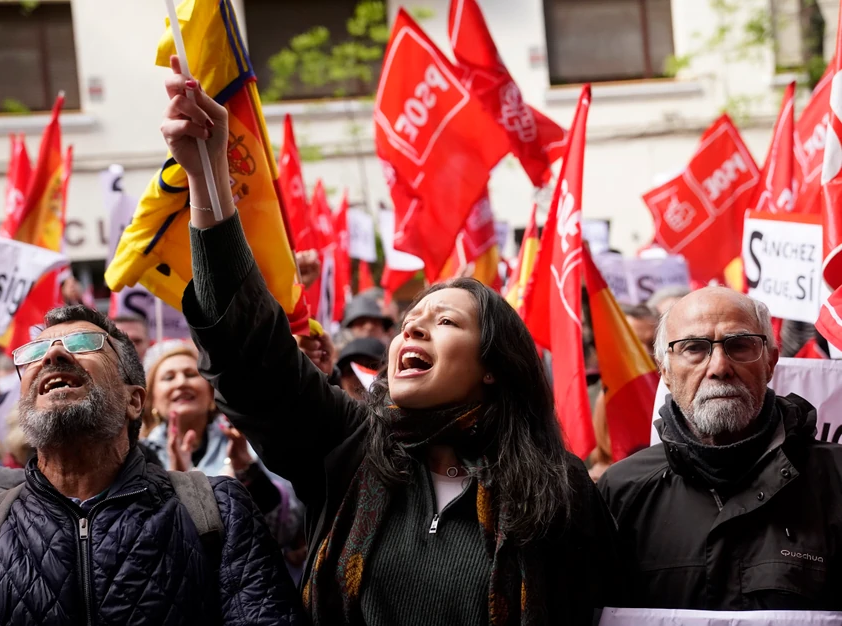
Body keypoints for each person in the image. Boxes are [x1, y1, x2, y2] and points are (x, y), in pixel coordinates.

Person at [161, 59, 622, 625]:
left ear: (494, 366)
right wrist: (209, 180)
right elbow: (251, 361)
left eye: (447, 322)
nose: (415, 327)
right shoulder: (350, 449)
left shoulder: (558, 489)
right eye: (411, 320)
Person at [0, 305, 304, 624]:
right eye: (36, 352)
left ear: (134, 401)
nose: (55, 353)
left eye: (82, 343)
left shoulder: (218, 510)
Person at [599, 287, 842, 609]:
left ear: (770, 361)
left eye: (739, 346)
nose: (719, 367)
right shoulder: (621, 491)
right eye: (694, 348)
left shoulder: (836, 479)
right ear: (665, 371)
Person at [140, 339, 304, 551]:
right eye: (168, 377)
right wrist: (178, 486)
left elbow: (286, 530)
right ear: (152, 399)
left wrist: (248, 471)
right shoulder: (139, 458)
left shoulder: (243, 442)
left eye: (190, 374)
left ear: (210, 394)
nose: (181, 383)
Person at [588, 304, 660, 482]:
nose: (645, 352)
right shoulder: (585, 401)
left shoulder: (677, 397)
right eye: (633, 343)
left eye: (652, 343)